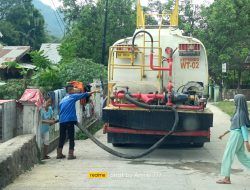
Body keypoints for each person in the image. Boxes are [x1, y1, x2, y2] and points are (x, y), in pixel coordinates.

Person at [56, 84, 99, 160]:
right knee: (71, 138)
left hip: (62, 121)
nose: (74, 90)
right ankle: (70, 155)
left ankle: (59, 154)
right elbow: (84, 94)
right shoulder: (73, 96)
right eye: (73, 89)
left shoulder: (62, 99)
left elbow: (60, 109)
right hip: (70, 120)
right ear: (70, 91)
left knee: (62, 137)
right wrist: (94, 91)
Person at [216, 94, 250, 184]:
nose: (234, 102)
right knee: (242, 157)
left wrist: (247, 142)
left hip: (236, 136)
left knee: (228, 155)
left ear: (238, 101)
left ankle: (226, 178)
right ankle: (226, 178)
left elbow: (243, 127)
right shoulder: (239, 111)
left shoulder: (240, 113)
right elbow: (234, 126)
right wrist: (223, 134)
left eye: (235, 100)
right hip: (237, 135)